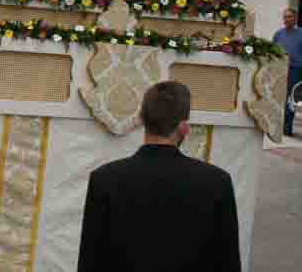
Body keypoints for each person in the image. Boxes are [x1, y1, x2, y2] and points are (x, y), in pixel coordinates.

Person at [77, 81, 240, 272]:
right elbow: (228, 262)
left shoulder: (104, 180)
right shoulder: (217, 183)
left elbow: (90, 262)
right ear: (183, 128)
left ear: (141, 120)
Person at [273, 8, 302, 137]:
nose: (287, 19)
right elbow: (272, 52)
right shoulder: (278, 34)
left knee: (290, 99)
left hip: (295, 70)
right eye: (285, 17)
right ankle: (276, 125)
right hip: (279, 70)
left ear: (295, 18)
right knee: (278, 97)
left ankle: (287, 128)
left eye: (290, 17)